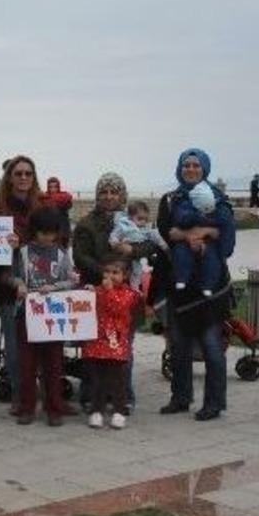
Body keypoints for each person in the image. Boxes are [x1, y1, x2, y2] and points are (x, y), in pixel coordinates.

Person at [156, 148, 236, 422]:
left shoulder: (220, 200)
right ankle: (180, 397)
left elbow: (227, 243)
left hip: (210, 286)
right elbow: (166, 233)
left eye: (196, 166)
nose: (190, 169)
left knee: (211, 346)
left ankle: (214, 403)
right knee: (179, 345)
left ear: (205, 169)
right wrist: (188, 235)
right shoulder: (170, 200)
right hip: (180, 283)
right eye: (186, 165)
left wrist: (209, 233)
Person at [72, 172, 156, 411]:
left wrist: (131, 252)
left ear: (122, 195)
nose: (108, 196)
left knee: (123, 346)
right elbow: (80, 256)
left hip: (126, 293)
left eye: (114, 192)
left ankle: (123, 396)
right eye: (104, 192)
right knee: (93, 348)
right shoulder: (86, 223)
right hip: (96, 293)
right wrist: (108, 273)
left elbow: (149, 243)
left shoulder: (133, 220)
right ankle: (91, 396)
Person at [11, 206, 76, 426]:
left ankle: (54, 408)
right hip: (27, 314)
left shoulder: (61, 253)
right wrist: (19, 284)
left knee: (54, 365)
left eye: (51, 232)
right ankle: (27, 407)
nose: (47, 237)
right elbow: (14, 276)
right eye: (43, 232)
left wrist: (55, 287)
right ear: (34, 231)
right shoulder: (23, 252)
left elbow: (71, 280)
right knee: (27, 365)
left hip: (53, 316)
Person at [0, 156, 40, 404]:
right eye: (18, 173)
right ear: (9, 176)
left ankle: (37, 386)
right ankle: (21, 393)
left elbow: (53, 240)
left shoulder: (41, 207)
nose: (23, 178)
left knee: (39, 339)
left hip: (39, 282)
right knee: (14, 341)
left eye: (28, 173)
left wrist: (24, 243)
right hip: (7, 282)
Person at [82, 255, 143, 430]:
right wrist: (88, 292)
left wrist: (107, 291)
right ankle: (96, 410)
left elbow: (118, 307)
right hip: (97, 342)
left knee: (118, 380)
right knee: (98, 380)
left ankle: (119, 411)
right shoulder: (98, 290)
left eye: (115, 272)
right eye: (107, 272)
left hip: (115, 343)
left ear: (125, 275)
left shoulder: (129, 294)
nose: (110, 276)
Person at [110, 200, 168, 290]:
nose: (143, 222)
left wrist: (164, 246)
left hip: (137, 254)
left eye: (145, 219)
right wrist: (115, 244)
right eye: (140, 219)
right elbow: (114, 235)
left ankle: (135, 289)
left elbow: (155, 237)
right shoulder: (123, 226)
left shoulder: (145, 228)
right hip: (122, 253)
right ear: (130, 217)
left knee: (137, 272)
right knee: (120, 271)